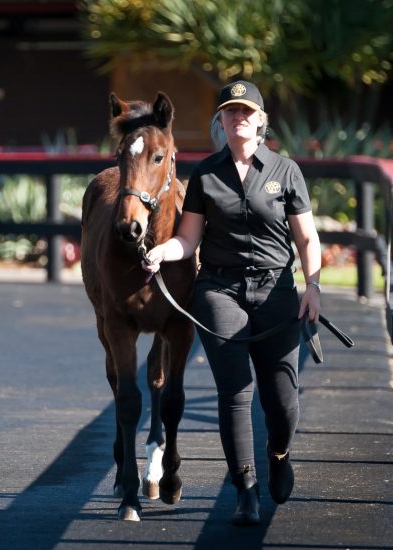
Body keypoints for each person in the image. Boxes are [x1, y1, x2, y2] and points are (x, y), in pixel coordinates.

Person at [142, 80, 321, 525]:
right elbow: (188, 239)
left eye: (246, 111)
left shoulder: (286, 172)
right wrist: (164, 251)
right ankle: (246, 488)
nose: (237, 118)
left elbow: (307, 236)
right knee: (235, 393)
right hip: (220, 291)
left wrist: (313, 286)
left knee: (282, 401)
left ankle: (278, 454)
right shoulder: (205, 174)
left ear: (260, 119)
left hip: (277, 290)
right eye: (229, 112)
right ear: (220, 121)